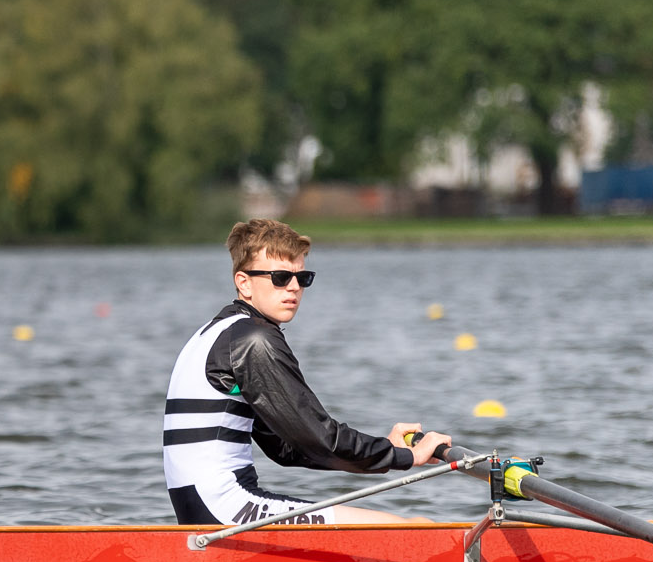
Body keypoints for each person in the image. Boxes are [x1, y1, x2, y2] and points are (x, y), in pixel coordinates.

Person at [162, 218, 451, 526]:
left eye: (303, 278)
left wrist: (387, 448)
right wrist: (408, 457)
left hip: (203, 508)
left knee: (411, 528)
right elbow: (318, 437)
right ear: (244, 282)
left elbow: (287, 448)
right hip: (226, 508)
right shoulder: (254, 340)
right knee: (417, 529)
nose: (294, 288)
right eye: (280, 277)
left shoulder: (218, 332)